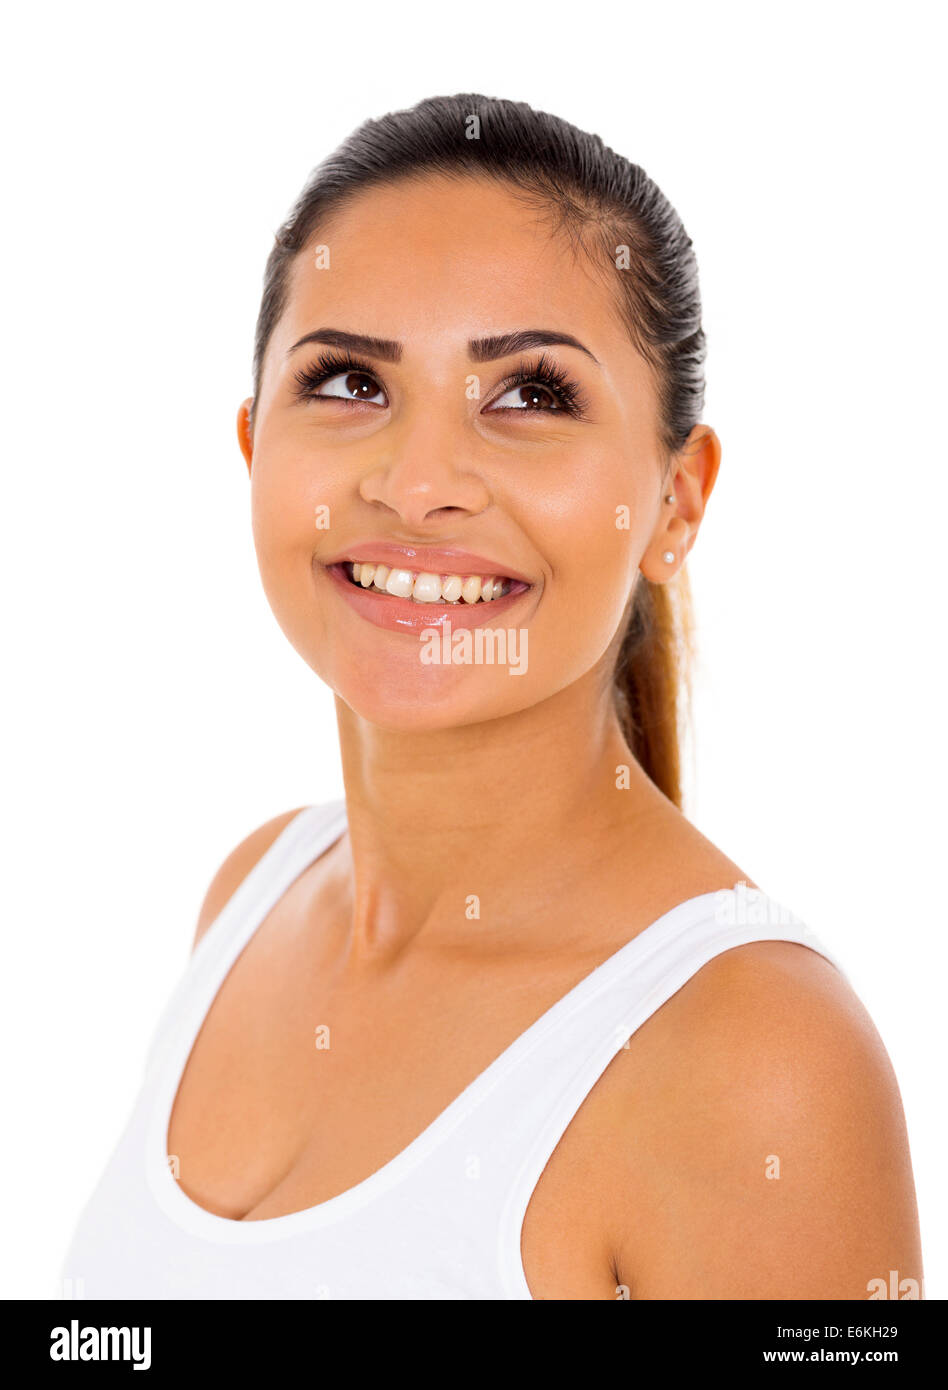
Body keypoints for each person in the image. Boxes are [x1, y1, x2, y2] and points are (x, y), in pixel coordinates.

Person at [60, 93, 923, 1301]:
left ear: (674, 502)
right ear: (255, 448)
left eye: (529, 394)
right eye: (351, 381)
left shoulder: (756, 1058)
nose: (417, 486)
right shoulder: (251, 898)